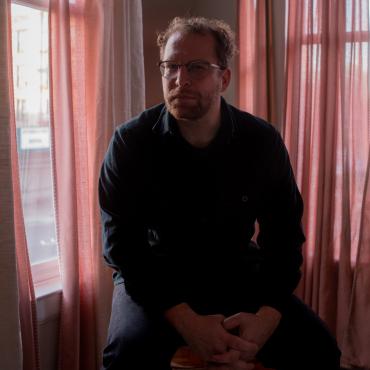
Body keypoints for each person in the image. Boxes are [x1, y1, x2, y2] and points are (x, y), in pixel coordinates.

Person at [99, 16, 341, 370]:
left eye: (196, 68)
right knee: (125, 356)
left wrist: (266, 320)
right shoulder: (130, 142)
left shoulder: (262, 141)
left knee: (320, 350)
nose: (180, 80)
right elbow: (122, 247)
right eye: (171, 67)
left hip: (238, 272)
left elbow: (285, 238)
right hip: (157, 280)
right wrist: (187, 322)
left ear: (223, 78)